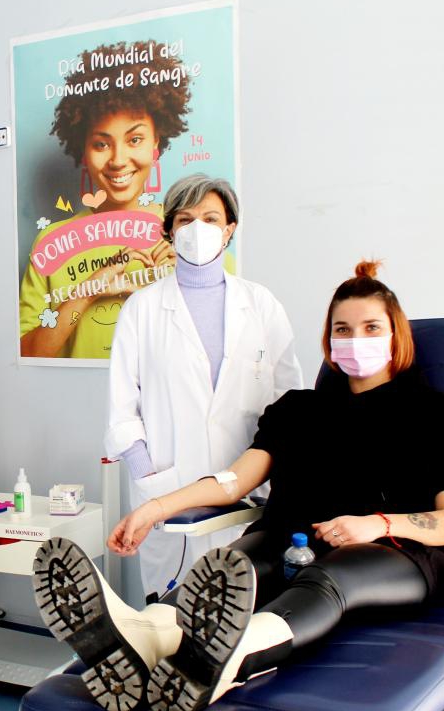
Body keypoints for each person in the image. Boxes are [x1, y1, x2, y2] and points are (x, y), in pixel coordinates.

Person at [33, 261, 444, 711]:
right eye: (343, 329)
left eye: (371, 328)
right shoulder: (301, 411)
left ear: (396, 335)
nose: (356, 340)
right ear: (329, 341)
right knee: (232, 567)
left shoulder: (439, 417)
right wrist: (155, 508)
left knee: (328, 579)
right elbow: (234, 480)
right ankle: (144, 633)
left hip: (393, 553)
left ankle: (226, 661)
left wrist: (376, 524)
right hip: (290, 541)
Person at [105, 175, 302, 602]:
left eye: (211, 219)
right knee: (171, 610)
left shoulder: (261, 305)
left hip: (250, 491)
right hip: (169, 489)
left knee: (239, 608)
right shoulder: (142, 309)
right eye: (185, 219)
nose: (198, 229)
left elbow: (290, 402)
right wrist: (150, 478)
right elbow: (121, 411)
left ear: (229, 230)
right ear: (169, 231)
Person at [19, 40, 191, 359]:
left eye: (135, 139)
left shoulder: (189, 233)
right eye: (101, 144)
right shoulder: (50, 245)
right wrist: (88, 291)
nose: (118, 160)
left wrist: (184, 282)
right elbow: (28, 353)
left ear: (156, 141)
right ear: (83, 150)